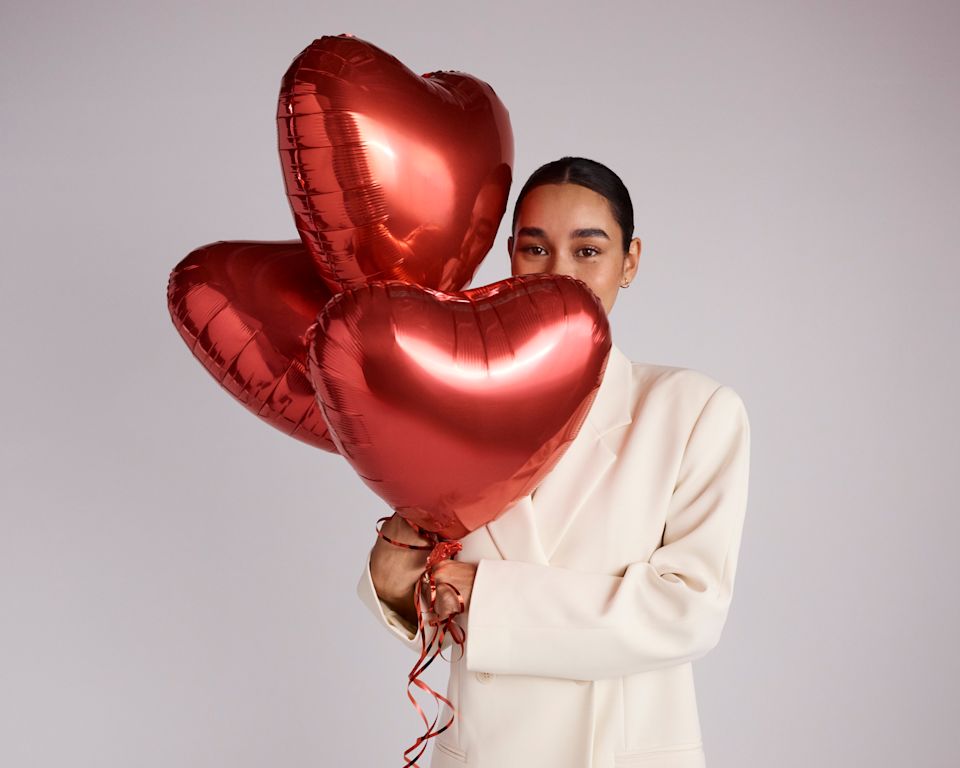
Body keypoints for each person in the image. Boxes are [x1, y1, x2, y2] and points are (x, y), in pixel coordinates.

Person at [357, 156, 751, 768]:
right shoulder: (457, 410)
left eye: (588, 250)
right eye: (535, 249)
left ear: (631, 262)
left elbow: (687, 612)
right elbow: (442, 616)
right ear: (510, 258)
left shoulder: (693, 410)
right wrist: (392, 584)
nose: (560, 275)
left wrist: (489, 595)